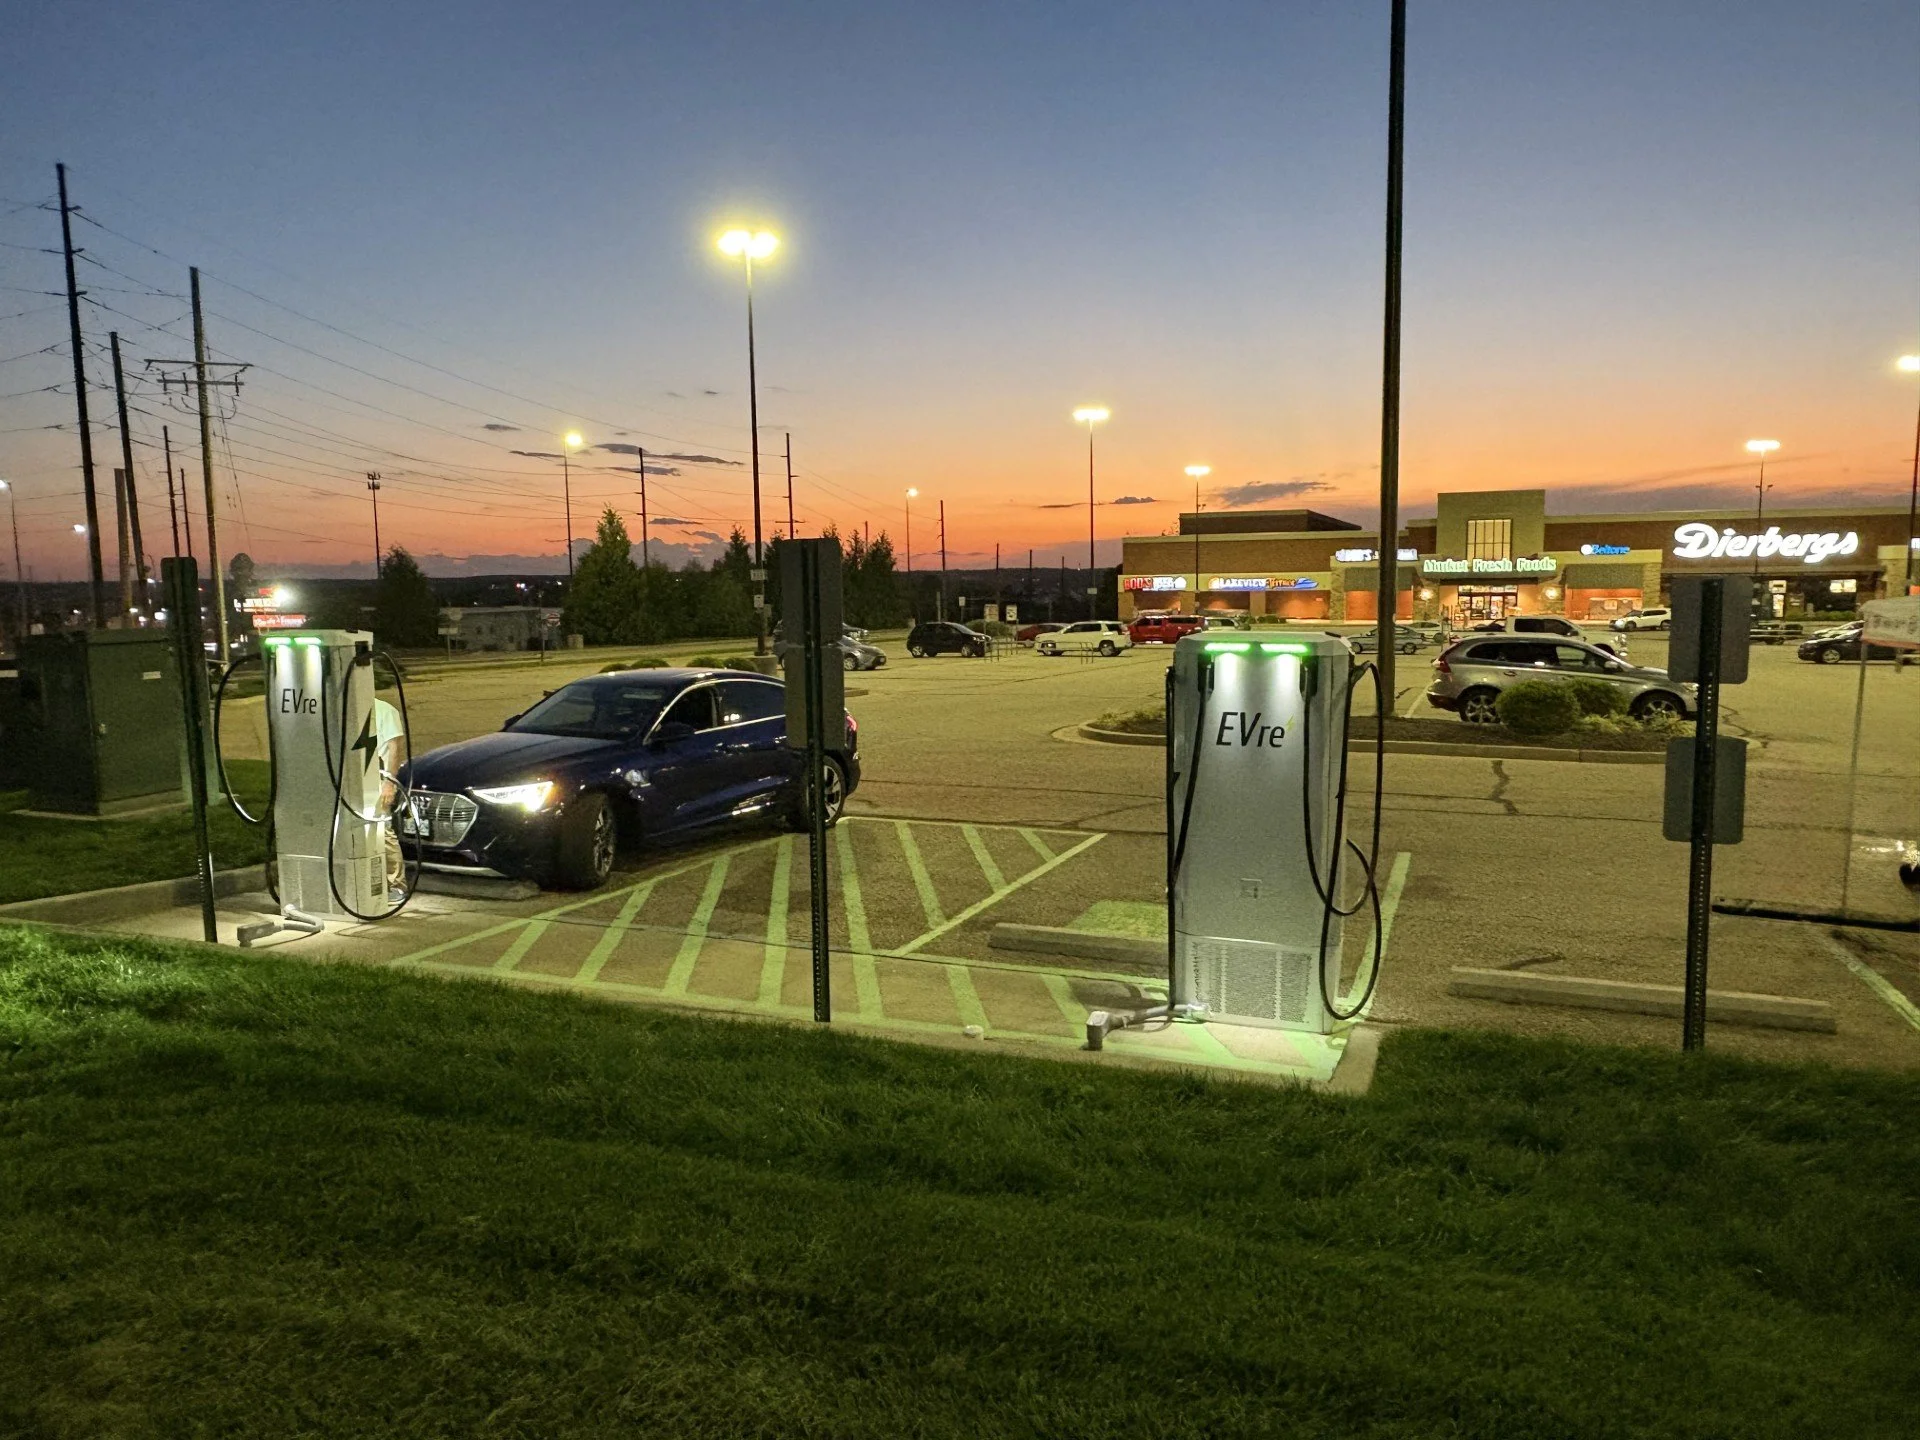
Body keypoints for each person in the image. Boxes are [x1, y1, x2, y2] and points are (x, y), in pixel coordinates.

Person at [372, 693, 407, 902]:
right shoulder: (349, 710)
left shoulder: (384, 711)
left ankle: (397, 884)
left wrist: (389, 784)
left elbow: (394, 749)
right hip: (357, 781)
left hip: (378, 780)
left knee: (383, 832)